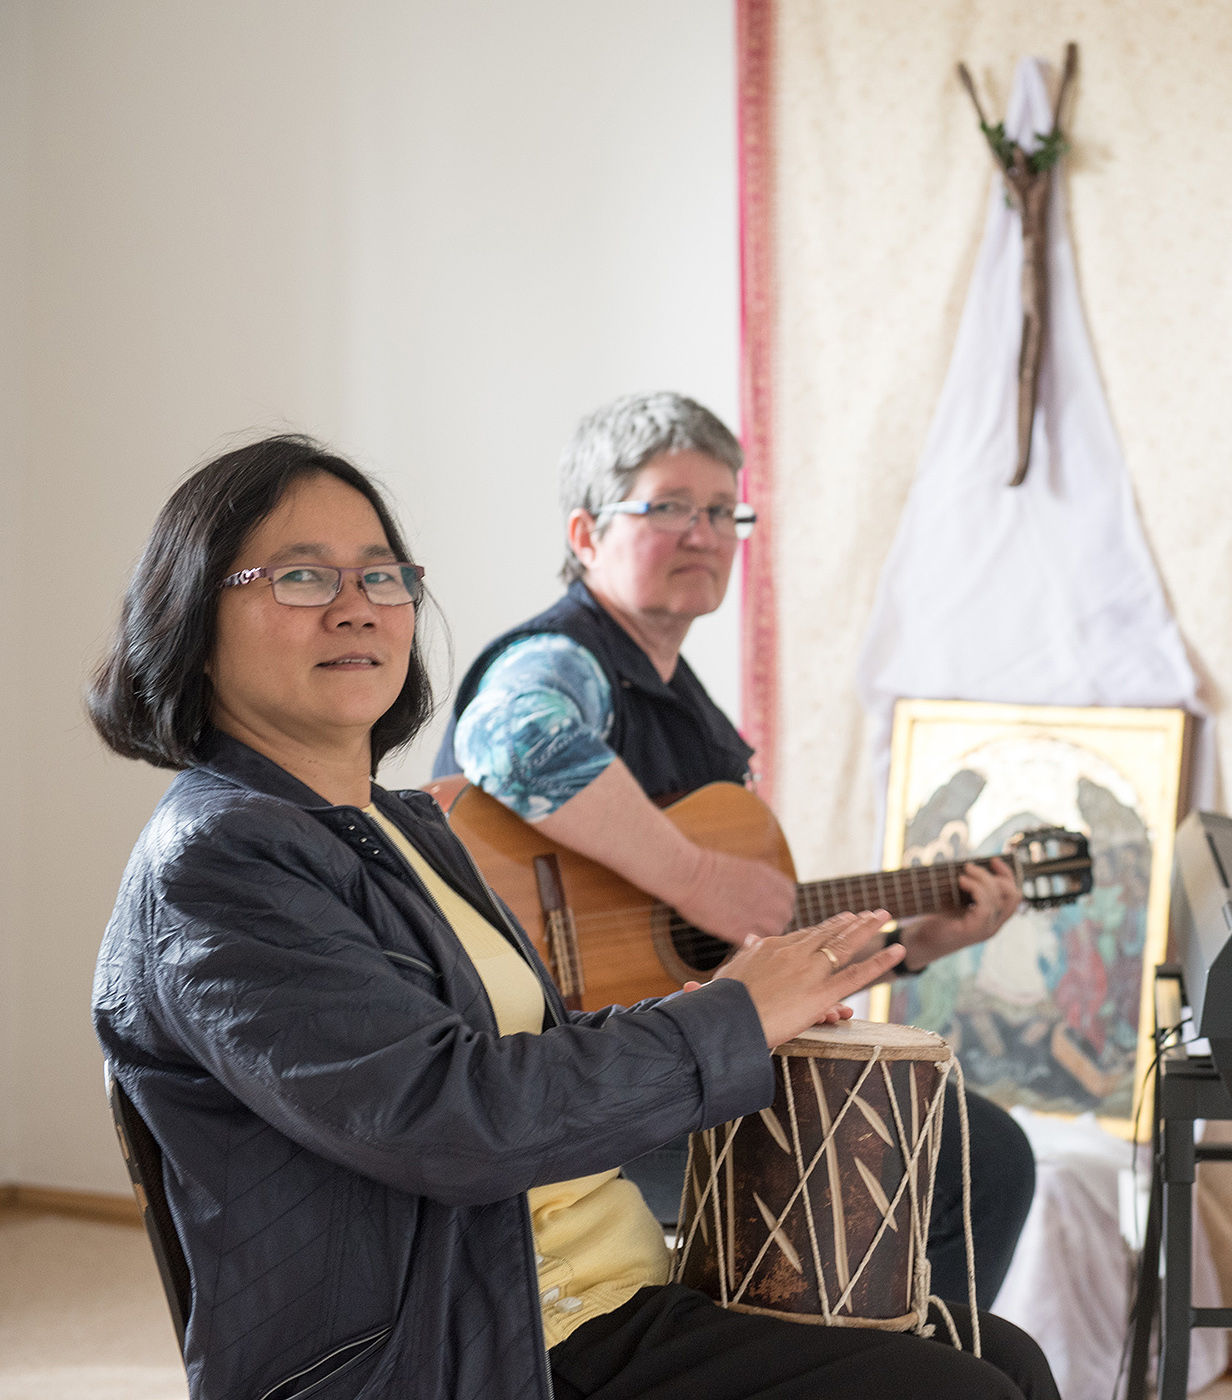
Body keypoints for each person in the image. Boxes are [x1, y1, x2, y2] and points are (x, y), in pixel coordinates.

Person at [89, 434, 1059, 1400]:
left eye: (382, 575)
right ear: (191, 615)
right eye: (301, 575)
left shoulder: (402, 827)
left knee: (1001, 1354)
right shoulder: (218, 863)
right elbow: (451, 1116)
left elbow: (515, 1045)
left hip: (587, 1287)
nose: (356, 604)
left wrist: (740, 996)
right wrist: (724, 1017)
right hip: (479, 1338)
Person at [433, 391, 1038, 1307]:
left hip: (652, 1054)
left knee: (964, 1139)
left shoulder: (687, 706)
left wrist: (923, 942)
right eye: (669, 506)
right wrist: (699, 874)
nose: (705, 532)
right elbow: (515, 740)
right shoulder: (561, 657)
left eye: (724, 511)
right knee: (968, 1154)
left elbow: (722, 948)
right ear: (587, 532)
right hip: (555, 1080)